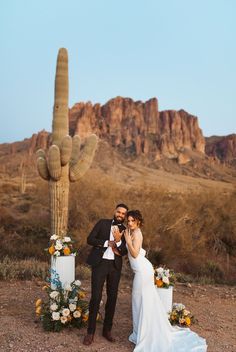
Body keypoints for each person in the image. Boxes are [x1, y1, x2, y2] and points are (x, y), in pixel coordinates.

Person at [124, 209, 207, 352]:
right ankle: (139, 332)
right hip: (142, 269)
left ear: (138, 221)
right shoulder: (130, 231)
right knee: (140, 302)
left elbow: (135, 253)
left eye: (133, 220)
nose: (130, 223)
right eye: (128, 220)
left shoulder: (137, 233)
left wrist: (127, 241)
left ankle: (142, 334)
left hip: (143, 272)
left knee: (140, 301)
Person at [83, 203, 128, 346]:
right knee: (96, 297)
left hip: (115, 267)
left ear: (125, 216)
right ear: (115, 211)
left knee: (112, 298)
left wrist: (119, 241)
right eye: (119, 212)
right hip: (100, 264)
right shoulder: (103, 223)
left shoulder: (125, 230)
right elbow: (90, 239)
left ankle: (107, 330)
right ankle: (90, 332)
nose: (120, 215)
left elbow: (124, 251)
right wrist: (106, 242)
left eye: (123, 214)